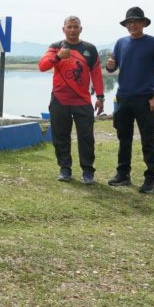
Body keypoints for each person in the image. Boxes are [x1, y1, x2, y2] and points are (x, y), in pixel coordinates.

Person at [105, 6, 154, 194]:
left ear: (143, 23)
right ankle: (123, 174)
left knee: (148, 139)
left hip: (145, 98)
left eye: (136, 21)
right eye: (129, 22)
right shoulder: (120, 43)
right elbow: (112, 68)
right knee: (124, 138)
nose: (132, 25)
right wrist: (109, 66)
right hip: (123, 97)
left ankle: (150, 179)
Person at [38, 16, 105, 184]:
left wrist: (100, 96)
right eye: (69, 27)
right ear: (64, 29)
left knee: (86, 137)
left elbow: (96, 74)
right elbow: (42, 66)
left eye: (76, 27)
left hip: (82, 101)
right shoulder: (55, 47)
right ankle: (65, 168)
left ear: (81, 29)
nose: (73, 30)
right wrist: (59, 57)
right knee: (60, 136)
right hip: (60, 99)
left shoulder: (90, 49)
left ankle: (88, 171)